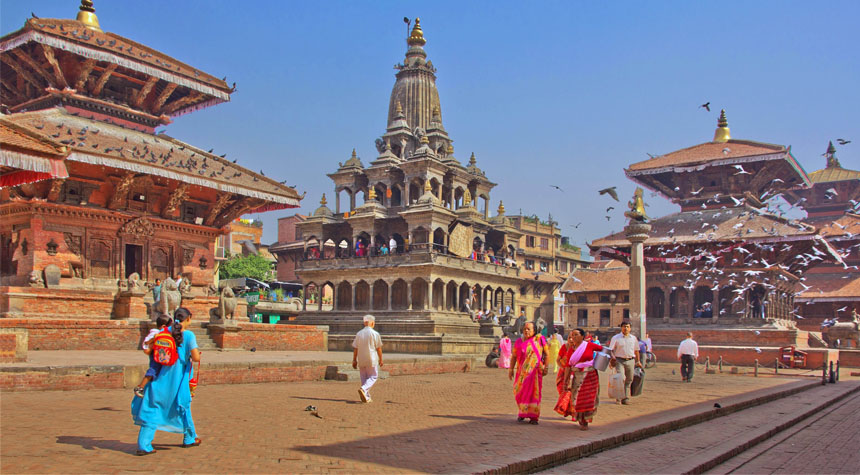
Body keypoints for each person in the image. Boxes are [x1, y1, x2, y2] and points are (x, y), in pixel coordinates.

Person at [131, 307, 201, 455]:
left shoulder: (163, 332)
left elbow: (148, 350)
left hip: (160, 378)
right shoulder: (188, 335)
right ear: (189, 318)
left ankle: (144, 444)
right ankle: (189, 437)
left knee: (152, 408)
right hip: (178, 379)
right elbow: (196, 358)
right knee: (183, 406)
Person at [562, 328, 604, 430]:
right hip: (577, 376)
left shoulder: (589, 345)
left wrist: (610, 360)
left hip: (590, 375)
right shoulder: (571, 350)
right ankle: (580, 419)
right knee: (577, 399)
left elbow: (603, 350)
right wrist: (565, 381)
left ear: (582, 336)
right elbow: (568, 366)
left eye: (576, 335)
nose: (573, 337)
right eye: (572, 335)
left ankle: (585, 421)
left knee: (588, 398)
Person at [508, 322, 548, 424]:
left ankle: (533, 417)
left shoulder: (539, 340)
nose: (526, 331)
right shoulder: (518, 342)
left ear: (534, 331)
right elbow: (514, 356)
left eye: (529, 329)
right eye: (525, 329)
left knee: (534, 394)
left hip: (534, 373)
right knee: (519, 392)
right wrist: (511, 369)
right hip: (522, 373)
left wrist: (546, 367)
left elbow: (547, 354)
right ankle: (522, 412)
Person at [134, 315, 172, 398]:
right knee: (153, 369)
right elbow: (146, 344)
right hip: (155, 355)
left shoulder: (161, 334)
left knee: (156, 371)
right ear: (164, 327)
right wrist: (154, 339)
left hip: (160, 355)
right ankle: (140, 387)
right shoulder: (156, 333)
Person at [608, 321, 641, 405]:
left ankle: (625, 397)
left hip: (630, 360)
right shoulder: (616, 338)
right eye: (624, 327)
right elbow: (611, 350)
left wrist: (638, 361)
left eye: (627, 327)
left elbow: (636, 350)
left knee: (629, 379)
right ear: (621, 328)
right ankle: (619, 397)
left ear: (630, 328)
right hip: (619, 360)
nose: (625, 328)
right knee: (621, 378)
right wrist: (612, 359)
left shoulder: (633, 338)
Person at [352, 314, 383, 403]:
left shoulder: (359, 333)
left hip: (361, 358)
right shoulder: (375, 333)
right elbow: (379, 348)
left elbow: (355, 348)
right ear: (372, 323)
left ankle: (366, 396)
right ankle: (364, 389)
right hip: (371, 358)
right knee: (373, 376)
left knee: (364, 378)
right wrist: (381, 359)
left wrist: (354, 360)